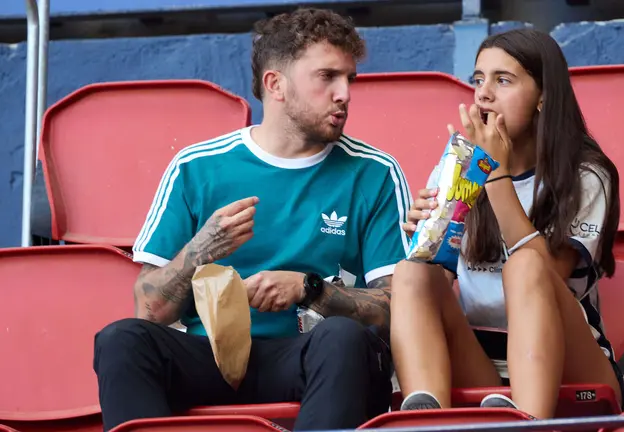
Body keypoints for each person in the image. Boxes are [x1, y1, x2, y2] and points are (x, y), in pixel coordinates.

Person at [93, 8, 410, 431]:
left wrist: (307, 289)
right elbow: (149, 311)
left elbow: (399, 310)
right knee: (121, 340)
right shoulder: (197, 167)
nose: (344, 94)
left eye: (349, 79)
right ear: (275, 84)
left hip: (310, 356)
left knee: (343, 339)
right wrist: (199, 251)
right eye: (327, 77)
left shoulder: (374, 173)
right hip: (211, 357)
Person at [390, 28, 624, 420]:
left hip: (569, 362)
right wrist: (428, 239)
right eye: (478, 79)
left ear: (543, 95)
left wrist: (493, 174)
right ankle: (426, 420)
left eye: (503, 80)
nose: (483, 93)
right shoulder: (454, 167)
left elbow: (547, 274)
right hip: (482, 362)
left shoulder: (586, 174)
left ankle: (527, 422)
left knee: (526, 264)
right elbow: (438, 285)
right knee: (411, 273)